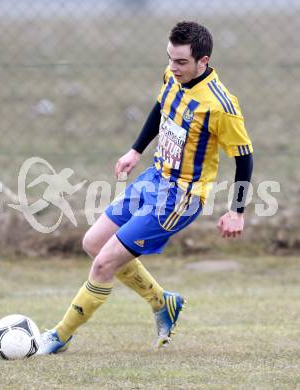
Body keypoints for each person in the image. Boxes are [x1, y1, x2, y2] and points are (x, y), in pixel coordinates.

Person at [37, 21, 253, 355]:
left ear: (203, 61)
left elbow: (245, 158)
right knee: (93, 243)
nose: (172, 67)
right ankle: (162, 302)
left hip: (179, 197)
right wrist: (135, 150)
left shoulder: (220, 106)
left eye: (181, 62)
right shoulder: (172, 77)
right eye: (170, 59)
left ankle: (59, 335)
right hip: (153, 178)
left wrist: (237, 211)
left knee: (104, 264)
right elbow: (160, 108)